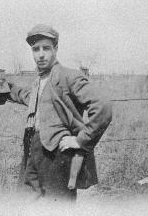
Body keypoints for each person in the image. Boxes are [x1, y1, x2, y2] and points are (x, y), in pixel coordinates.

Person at [7, 24, 112, 201]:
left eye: (46, 48)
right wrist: (6, 89)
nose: (40, 54)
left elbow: (103, 107)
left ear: (55, 49)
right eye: (35, 49)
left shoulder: (68, 76)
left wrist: (80, 140)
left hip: (58, 155)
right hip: (33, 149)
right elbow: (31, 98)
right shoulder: (40, 80)